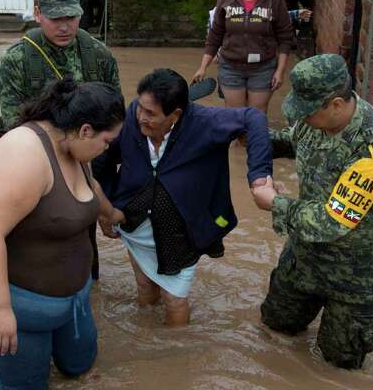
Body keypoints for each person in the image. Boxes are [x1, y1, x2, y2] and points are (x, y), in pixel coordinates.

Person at [0, 80, 126, 390]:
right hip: (4, 296)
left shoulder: (72, 142)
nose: (108, 149)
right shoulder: (23, 154)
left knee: (80, 366)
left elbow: (90, 186)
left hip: (69, 298)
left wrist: (109, 214)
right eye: (107, 141)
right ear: (85, 129)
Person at [251, 54, 373, 370]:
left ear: (336, 104)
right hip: (306, 256)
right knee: (275, 327)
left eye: (307, 113)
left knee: (339, 363)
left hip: (355, 272)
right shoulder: (317, 121)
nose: (302, 119)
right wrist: (254, 140)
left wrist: (275, 203)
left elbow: (332, 221)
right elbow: (293, 140)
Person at [94, 68, 272, 325]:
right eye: (139, 108)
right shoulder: (132, 119)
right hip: (134, 223)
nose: (140, 117)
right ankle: (147, 345)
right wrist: (105, 208)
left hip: (182, 231)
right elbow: (104, 159)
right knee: (144, 288)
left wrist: (259, 174)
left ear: (175, 115)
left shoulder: (203, 122)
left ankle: (177, 352)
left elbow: (253, 117)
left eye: (151, 114)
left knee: (174, 299)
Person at [0, 0, 120, 138]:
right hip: (38, 148)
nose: (64, 27)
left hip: (91, 145)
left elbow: (115, 114)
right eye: (55, 18)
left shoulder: (100, 54)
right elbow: (13, 124)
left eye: (71, 17)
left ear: (80, 14)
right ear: (37, 14)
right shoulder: (15, 60)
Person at [193, 0, 297, 117]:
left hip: (263, 68)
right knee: (235, 117)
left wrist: (280, 71)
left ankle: (254, 143)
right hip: (230, 67)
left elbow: (285, 37)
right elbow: (215, 35)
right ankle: (238, 143)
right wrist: (203, 67)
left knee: (256, 116)